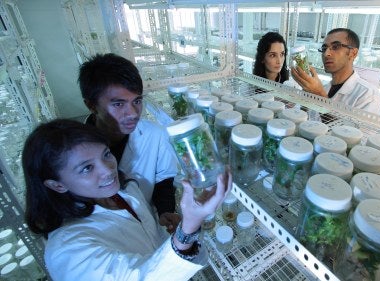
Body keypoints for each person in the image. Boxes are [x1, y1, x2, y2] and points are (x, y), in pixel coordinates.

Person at [22, 119, 231, 281]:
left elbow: (150, 247)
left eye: (105, 155)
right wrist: (187, 230)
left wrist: (175, 228)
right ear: (57, 184)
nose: (108, 170)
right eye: (87, 168)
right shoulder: (66, 251)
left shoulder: (121, 192)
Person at [78, 53, 178, 218]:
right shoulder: (74, 153)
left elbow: (163, 180)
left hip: (147, 222)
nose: (132, 114)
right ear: (91, 105)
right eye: (118, 104)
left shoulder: (155, 134)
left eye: (137, 101)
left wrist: (165, 211)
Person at [291, 28, 380, 114]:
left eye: (335, 47)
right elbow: (309, 121)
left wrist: (319, 96)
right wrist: (306, 100)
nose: (326, 54)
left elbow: (352, 130)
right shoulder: (325, 88)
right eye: (324, 49)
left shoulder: (368, 94)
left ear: (353, 53)